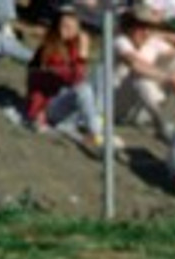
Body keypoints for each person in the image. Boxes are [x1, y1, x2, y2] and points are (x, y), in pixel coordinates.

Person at [25, 6, 112, 152]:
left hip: (71, 102)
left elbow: (79, 78)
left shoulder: (74, 46)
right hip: (51, 107)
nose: (65, 30)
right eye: (63, 25)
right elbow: (36, 84)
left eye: (70, 27)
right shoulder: (49, 48)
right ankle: (96, 134)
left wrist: (81, 53)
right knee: (83, 88)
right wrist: (37, 111)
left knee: (102, 71)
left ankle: (96, 123)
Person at [113, 8, 175, 142]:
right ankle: (162, 127)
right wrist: (168, 77)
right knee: (140, 78)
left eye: (149, 27)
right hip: (120, 108)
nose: (145, 32)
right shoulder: (121, 42)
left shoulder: (152, 42)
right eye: (141, 27)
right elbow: (135, 65)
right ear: (130, 28)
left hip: (144, 108)